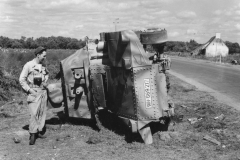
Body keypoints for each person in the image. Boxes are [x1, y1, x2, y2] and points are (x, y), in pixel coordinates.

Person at [19, 46, 49, 145]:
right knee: (34, 113)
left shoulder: (43, 65)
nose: (45, 58)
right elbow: (21, 80)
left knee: (42, 113)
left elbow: (45, 77)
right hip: (34, 92)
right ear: (38, 55)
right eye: (43, 56)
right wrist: (29, 90)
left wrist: (45, 83)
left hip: (43, 92)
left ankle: (39, 131)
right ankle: (32, 134)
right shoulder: (29, 65)